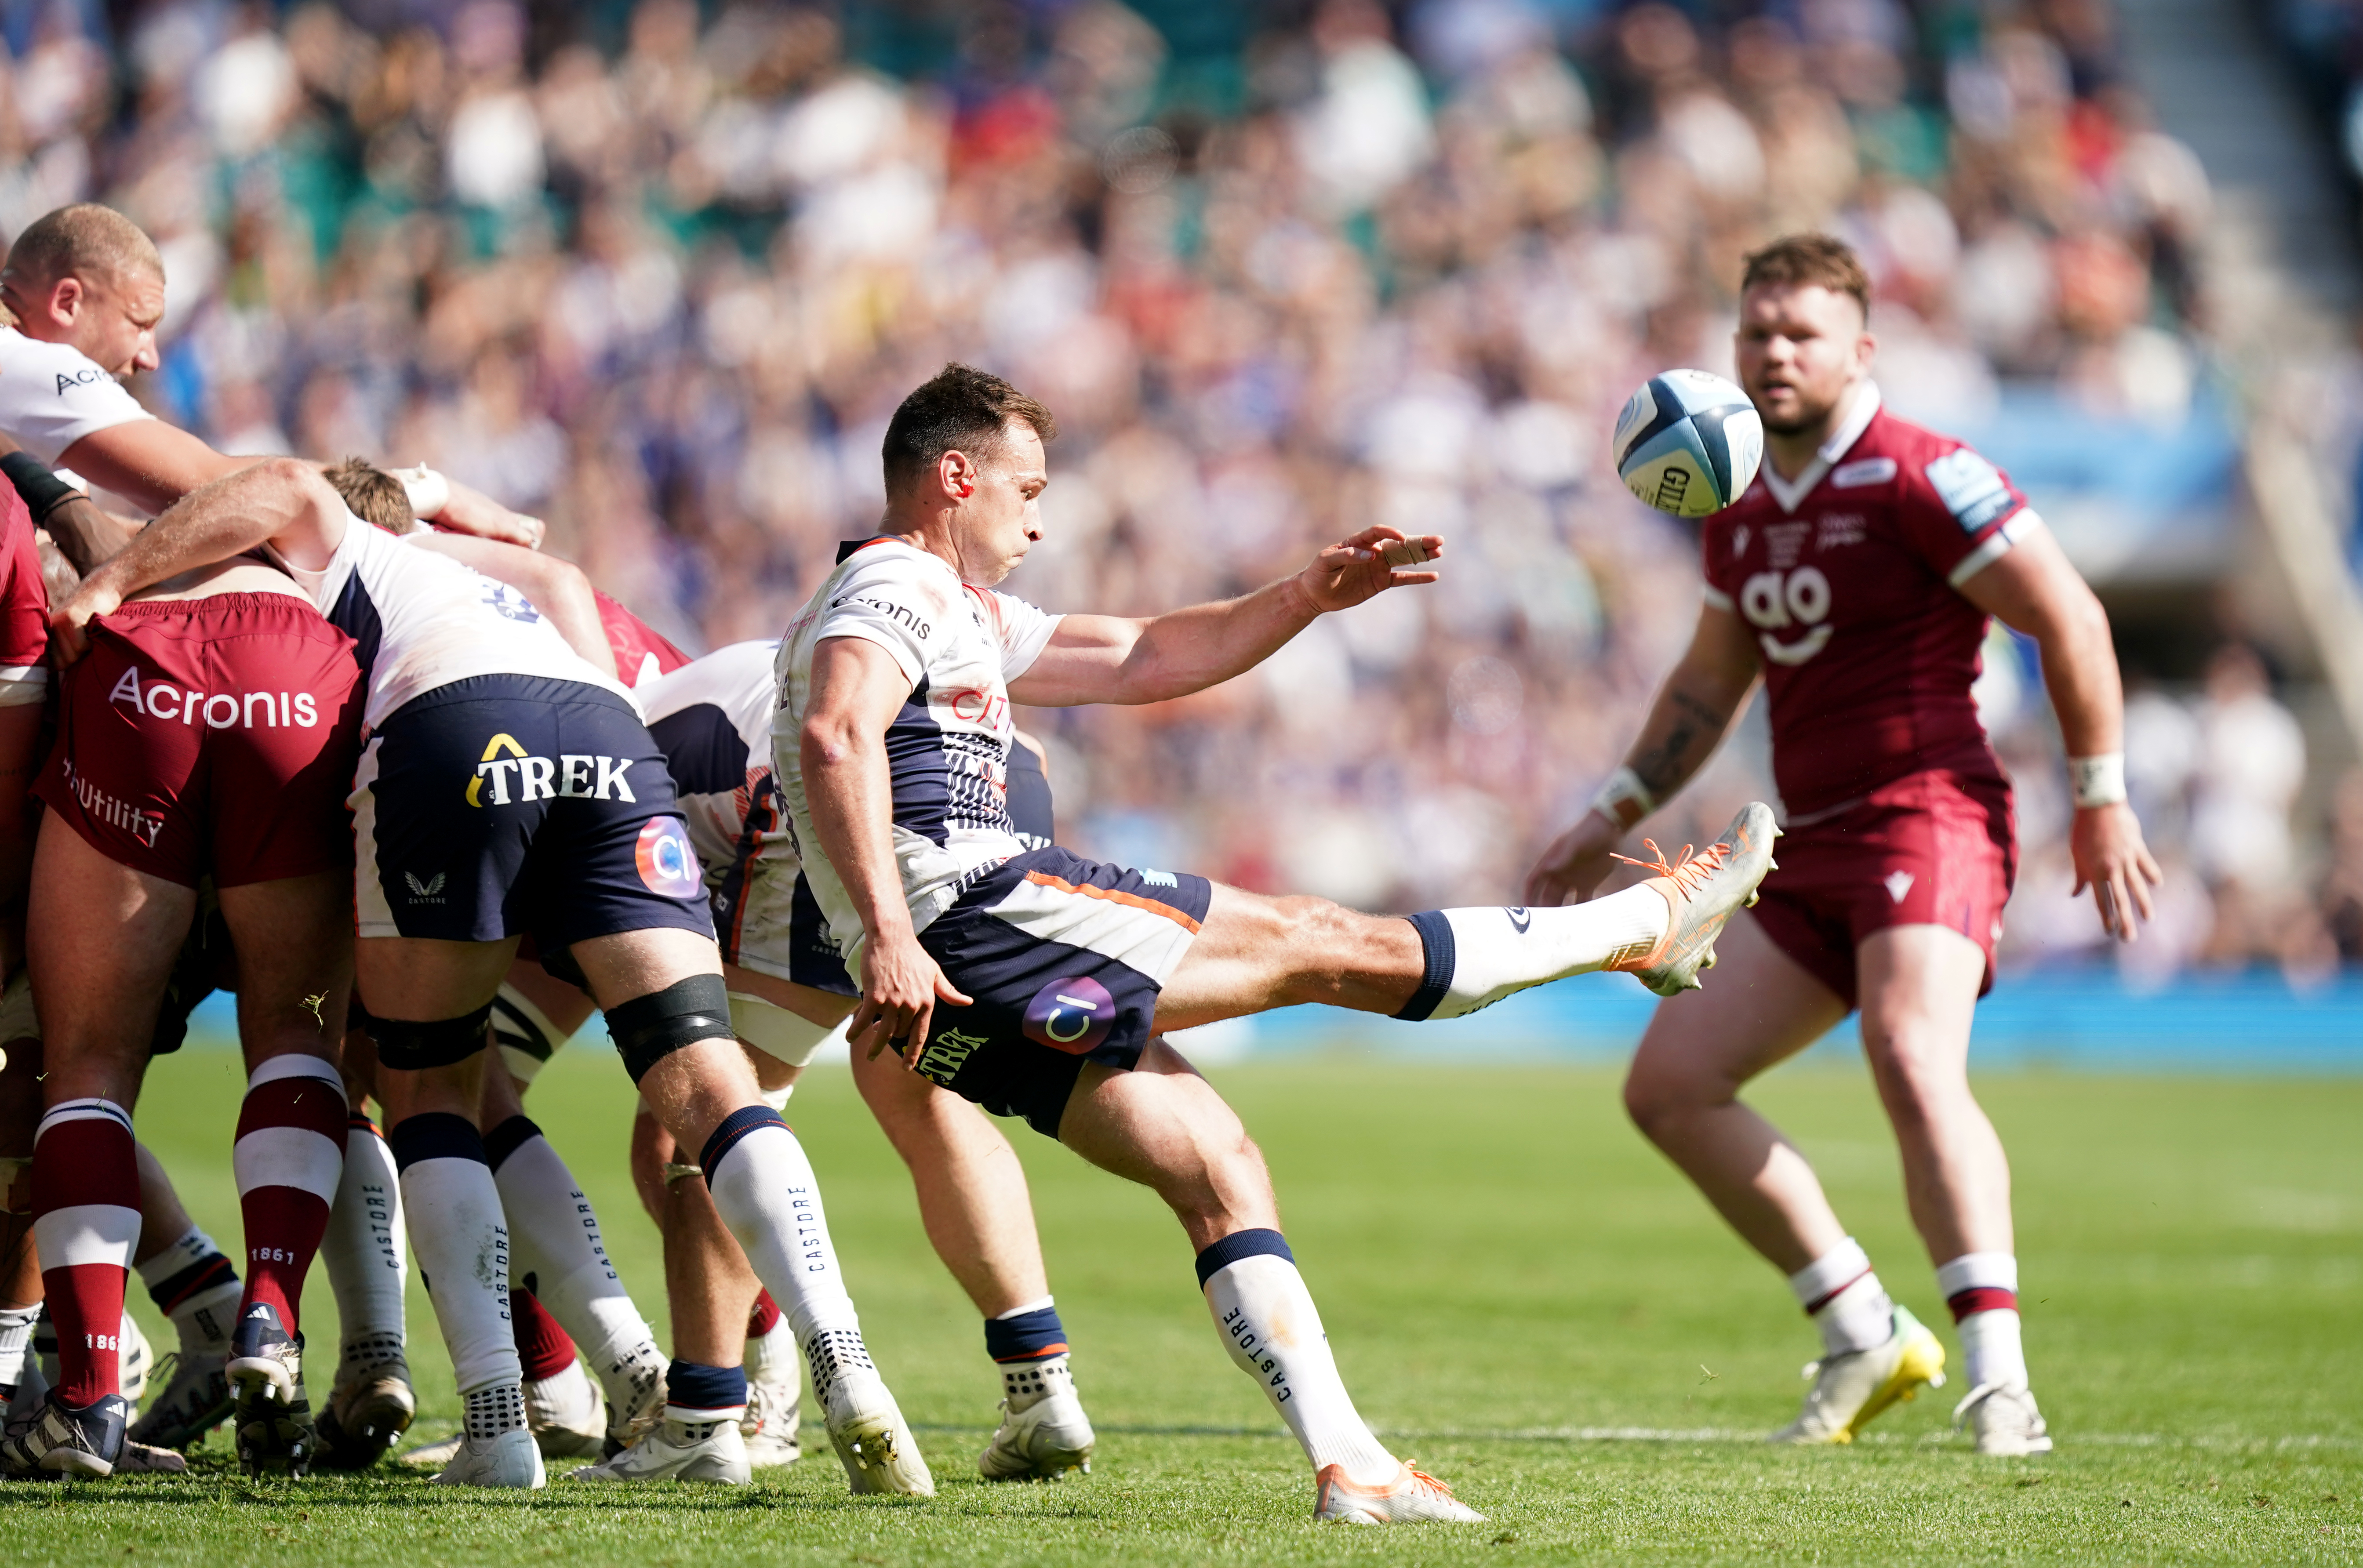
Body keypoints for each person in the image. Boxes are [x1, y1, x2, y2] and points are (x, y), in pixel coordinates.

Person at [778, 363, 1775, 1524]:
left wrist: (1306, 595)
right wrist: (890, 933)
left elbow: (1144, 655)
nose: (1039, 520)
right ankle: (1642, 925)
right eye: (1028, 489)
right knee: (1318, 939)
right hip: (971, 910)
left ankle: (1351, 1466)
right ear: (958, 476)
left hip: (949, 972)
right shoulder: (896, 581)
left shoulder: (955, 608)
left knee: (1216, 1163)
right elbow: (836, 733)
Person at [51, 459, 935, 1497]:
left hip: (456, 727)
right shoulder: (473, 574)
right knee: (706, 1078)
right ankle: (848, 1365)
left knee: (430, 1085)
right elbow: (554, 574)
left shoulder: (341, 559)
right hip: (610, 736)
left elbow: (287, 484)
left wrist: (113, 579)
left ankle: (497, 1423)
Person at [1525, 234, 2163, 1457]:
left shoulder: (1925, 473)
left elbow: (2070, 614)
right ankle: (1862, 1327)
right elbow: (1706, 687)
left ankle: (2002, 1382)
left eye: (1800, 333)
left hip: (1931, 811)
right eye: (1756, 333)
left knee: (1910, 1053)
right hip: (1808, 839)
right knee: (1669, 1087)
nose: (1774, 353)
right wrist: (1607, 812)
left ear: (1859, 349)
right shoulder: (1734, 500)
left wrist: (2103, 795)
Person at [578, 639, 1098, 1484]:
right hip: (998, 771)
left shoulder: (611, 734)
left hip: (827, 793)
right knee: (925, 1094)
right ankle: (1041, 1383)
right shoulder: (679, 687)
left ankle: (716, 1410)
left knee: (705, 1117)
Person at [0, 471, 364, 1477]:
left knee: (86, 1066)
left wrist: (109, 578)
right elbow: (291, 482)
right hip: (294, 671)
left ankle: (86, 1402)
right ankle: (269, 1316)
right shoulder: (310, 521)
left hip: (140, 668)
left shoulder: (57, 441)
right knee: (298, 1034)